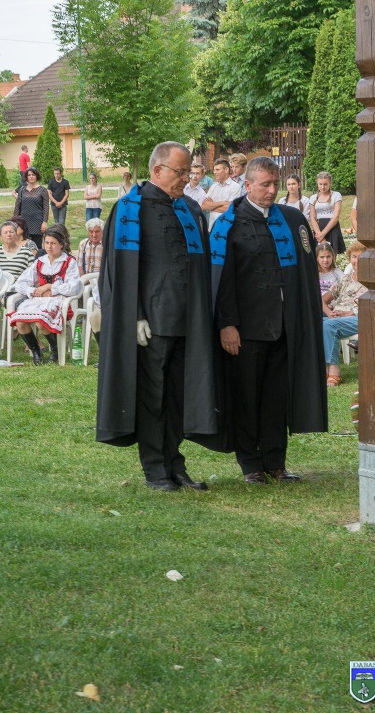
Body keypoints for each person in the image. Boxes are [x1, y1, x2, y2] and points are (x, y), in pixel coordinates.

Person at [96, 141, 221, 492]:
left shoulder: (189, 208)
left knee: (178, 396)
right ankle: (155, 469)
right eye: (180, 171)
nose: (186, 178)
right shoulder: (129, 210)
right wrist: (134, 316)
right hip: (152, 322)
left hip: (189, 320)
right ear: (157, 170)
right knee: (153, 397)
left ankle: (175, 465)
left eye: (188, 171)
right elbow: (119, 269)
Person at [211, 156, 327, 484]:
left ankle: (276, 462)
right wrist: (227, 324)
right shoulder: (228, 224)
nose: (272, 190)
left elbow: (305, 273)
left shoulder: (291, 219)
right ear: (247, 185)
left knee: (277, 398)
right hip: (245, 329)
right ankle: (250, 464)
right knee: (246, 397)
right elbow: (221, 280)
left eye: (275, 183)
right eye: (265, 184)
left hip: (285, 326)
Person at [8, 224, 83, 364]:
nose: (49, 246)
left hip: (60, 300)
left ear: (61, 245)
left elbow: (75, 287)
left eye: (53, 243)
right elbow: (20, 283)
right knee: (19, 321)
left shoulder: (69, 262)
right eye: (47, 242)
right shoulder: (40, 262)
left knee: (40, 321)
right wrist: (33, 291)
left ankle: (55, 350)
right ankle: (36, 351)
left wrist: (51, 287)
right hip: (39, 299)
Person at [322, 240, 367, 386]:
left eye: (361, 256)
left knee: (328, 326)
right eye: (354, 256)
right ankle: (321, 368)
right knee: (315, 323)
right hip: (337, 318)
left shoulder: (374, 280)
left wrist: (350, 313)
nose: (357, 260)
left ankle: (333, 370)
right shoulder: (345, 279)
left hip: (361, 318)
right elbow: (323, 299)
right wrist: (329, 313)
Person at [310, 171, 345, 254]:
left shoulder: (336, 195)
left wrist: (323, 233)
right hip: (318, 229)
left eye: (325, 184)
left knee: (332, 255)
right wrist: (319, 234)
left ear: (330, 183)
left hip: (332, 227)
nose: (322, 187)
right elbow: (312, 218)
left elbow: (336, 216)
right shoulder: (313, 198)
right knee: (318, 255)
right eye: (320, 184)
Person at [13, 167, 49, 250]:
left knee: (37, 246)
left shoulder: (43, 190)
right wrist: (15, 221)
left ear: (36, 176)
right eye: (29, 175)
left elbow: (46, 207)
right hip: (24, 222)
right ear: (26, 177)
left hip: (37, 222)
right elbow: (17, 206)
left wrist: (44, 222)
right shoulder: (22, 190)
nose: (31, 177)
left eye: (33, 175)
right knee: (24, 246)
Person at [202, 158, 242, 229]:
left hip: (226, 228)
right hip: (212, 227)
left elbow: (230, 208)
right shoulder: (214, 186)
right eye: (214, 170)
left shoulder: (235, 187)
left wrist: (212, 206)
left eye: (217, 170)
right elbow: (204, 206)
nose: (214, 172)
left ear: (226, 170)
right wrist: (223, 203)